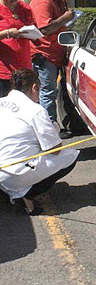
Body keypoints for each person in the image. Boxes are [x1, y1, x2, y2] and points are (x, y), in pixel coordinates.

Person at [0, 69, 79, 215]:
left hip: (2, 169)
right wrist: (54, 129)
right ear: (34, 87)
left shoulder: (1, 102)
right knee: (70, 155)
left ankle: (12, 190)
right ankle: (27, 193)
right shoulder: (35, 110)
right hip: (13, 174)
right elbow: (54, 149)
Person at [30, 0, 75, 125]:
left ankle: (51, 128)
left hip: (56, 54)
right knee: (47, 94)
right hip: (44, 54)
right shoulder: (43, 1)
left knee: (52, 93)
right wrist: (65, 18)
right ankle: (48, 131)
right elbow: (45, 30)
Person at [0, 0, 35, 97]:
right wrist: (7, 33)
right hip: (4, 72)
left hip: (24, 70)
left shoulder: (25, 9)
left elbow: (33, 28)